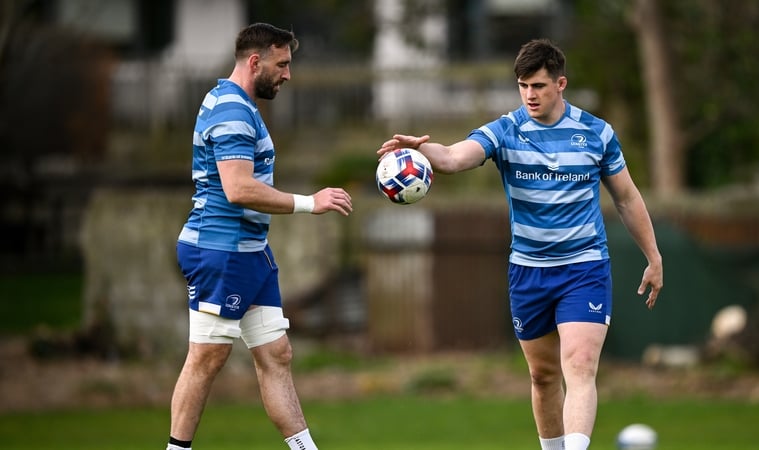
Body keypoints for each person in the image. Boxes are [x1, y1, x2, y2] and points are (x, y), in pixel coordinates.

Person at [378, 38, 662, 450]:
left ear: (560, 84)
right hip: (528, 271)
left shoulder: (597, 133)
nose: (530, 94)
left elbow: (627, 197)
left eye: (539, 86)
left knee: (579, 365)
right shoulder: (506, 130)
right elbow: (458, 157)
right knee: (543, 376)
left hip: (584, 267)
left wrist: (653, 256)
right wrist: (424, 151)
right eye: (523, 86)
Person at [168, 23, 353, 450]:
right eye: (282, 63)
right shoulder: (232, 109)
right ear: (256, 61)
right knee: (206, 358)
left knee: (276, 354)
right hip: (221, 251)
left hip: (249, 254)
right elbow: (238, 189)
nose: (288, 74)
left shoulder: (237, 104)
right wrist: (311, 202)